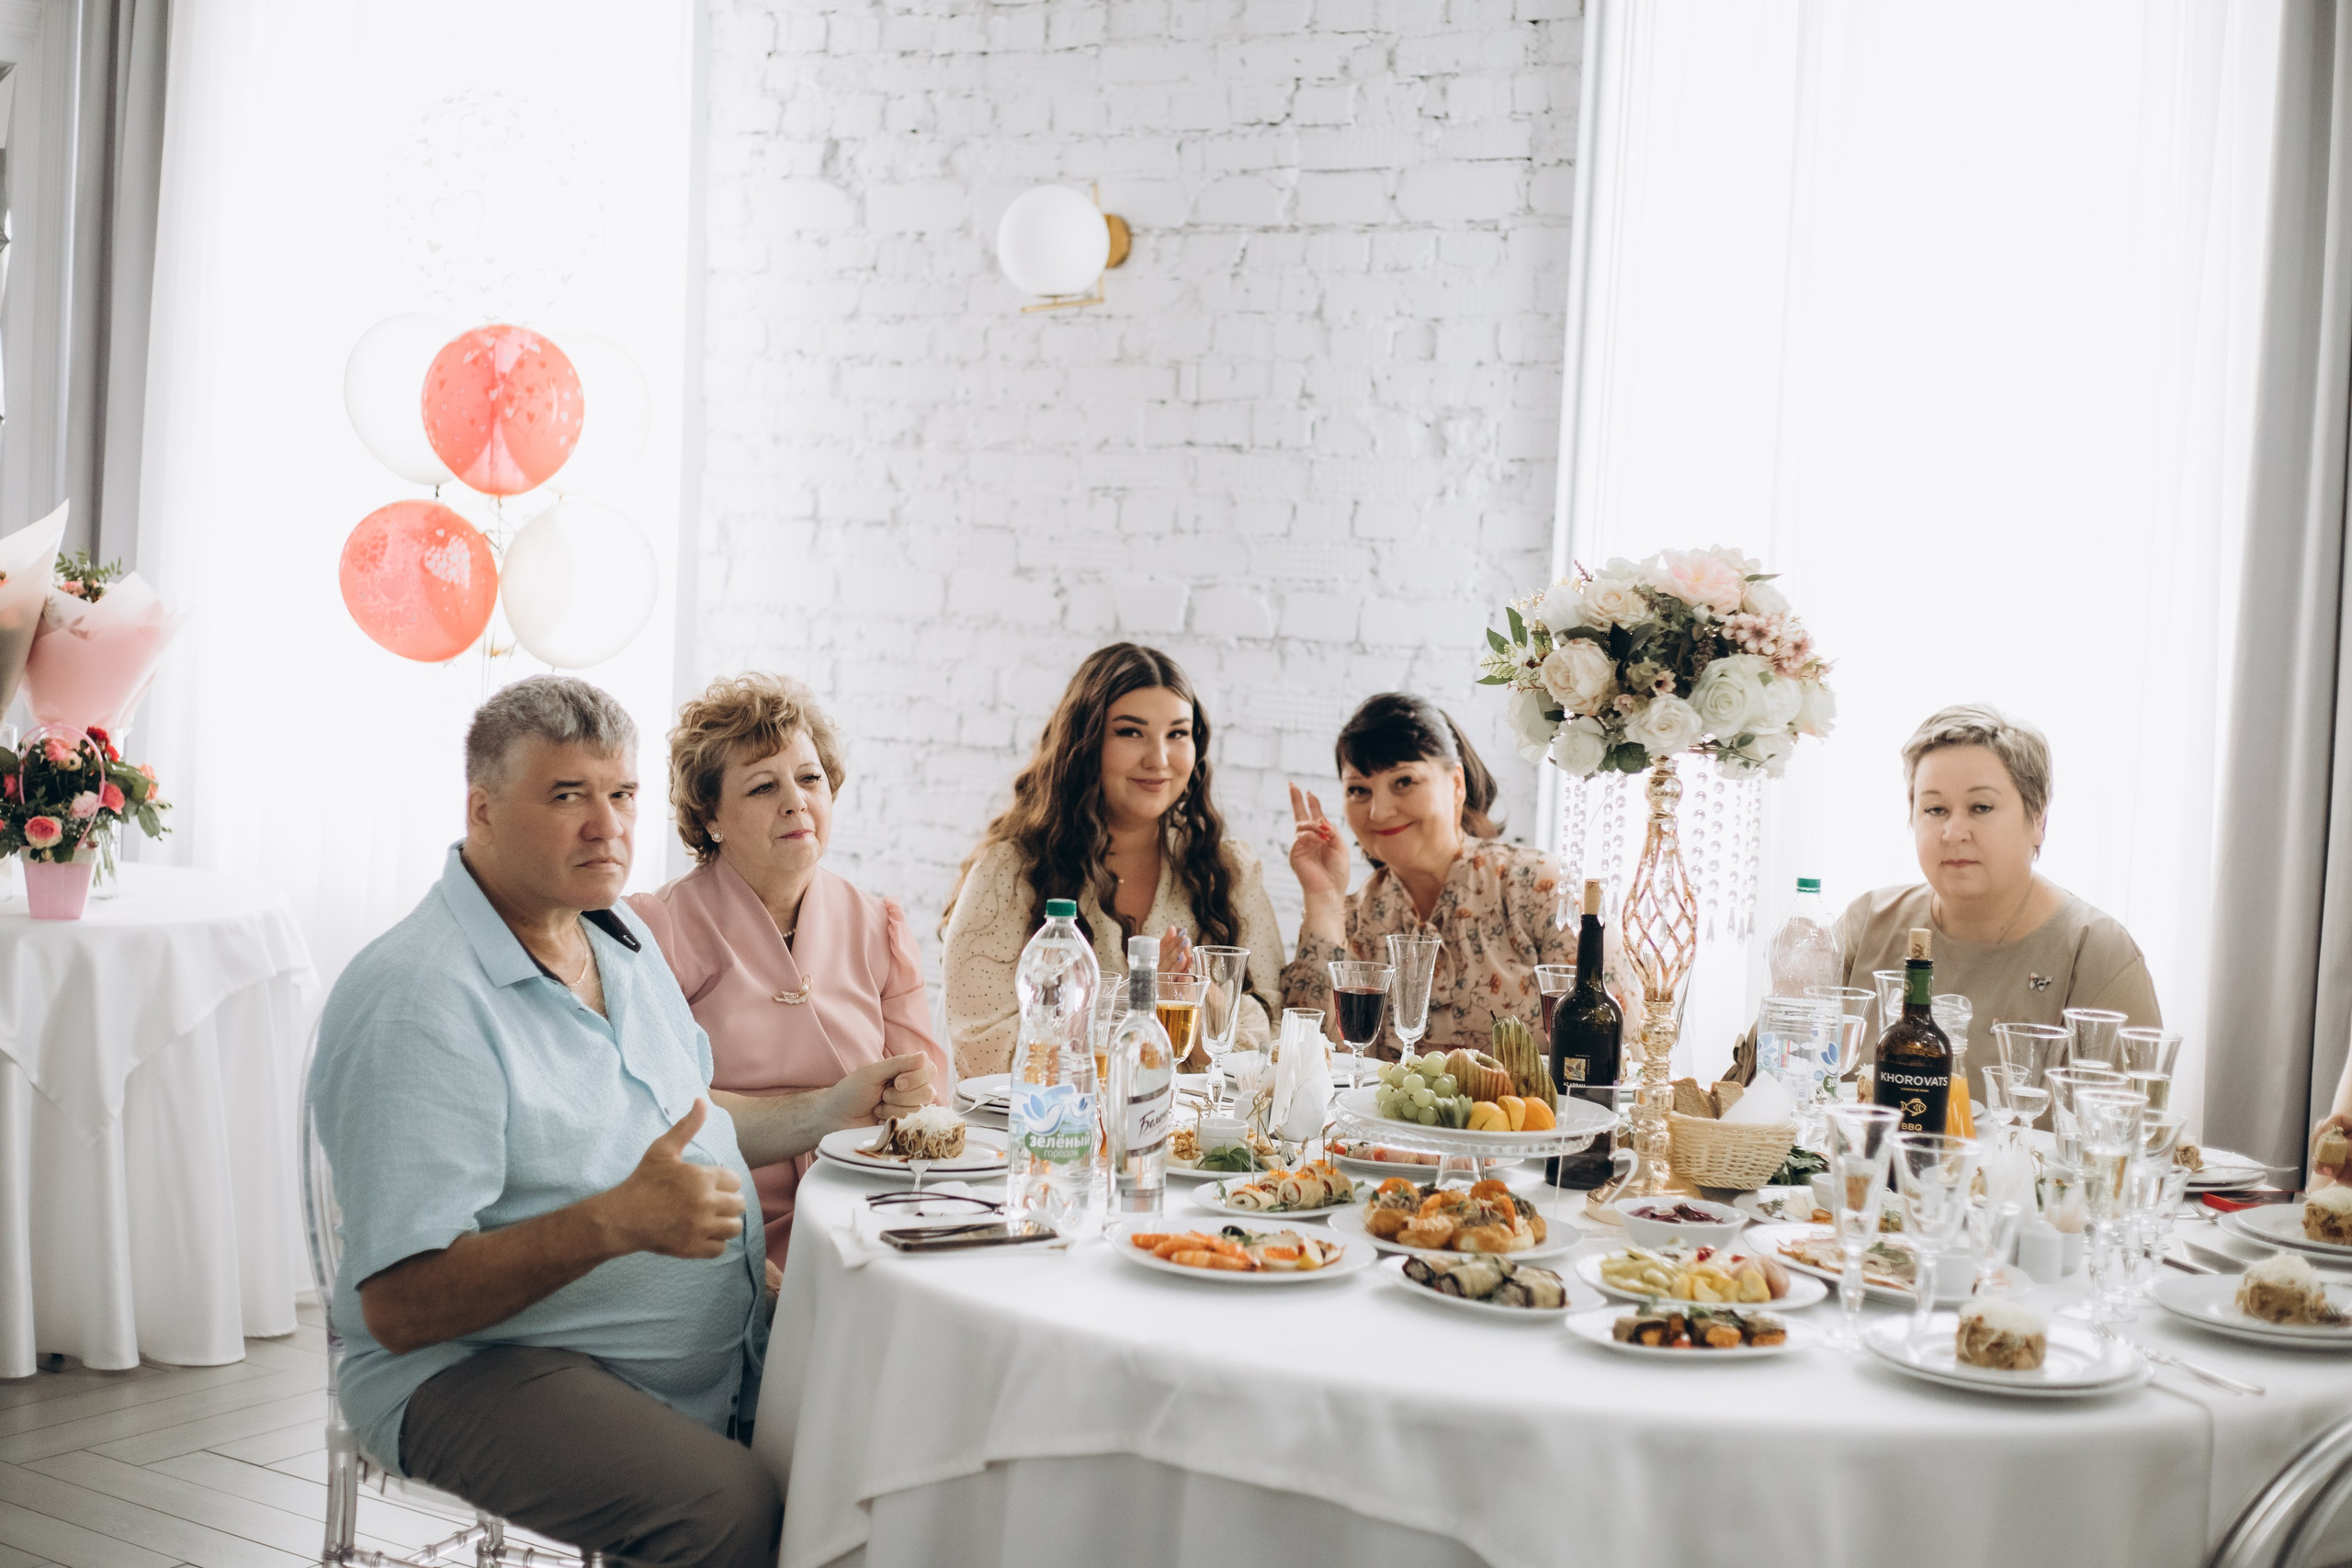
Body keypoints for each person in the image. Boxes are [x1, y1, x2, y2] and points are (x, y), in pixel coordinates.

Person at [309, 677, 935, 1568]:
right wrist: (613, 1223)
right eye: (567, 796)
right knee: (731, 1511)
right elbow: (403, 1306)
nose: (606, 827)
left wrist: (828, 1112)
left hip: (698, 1344)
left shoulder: (611, 940)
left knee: (902, 1439)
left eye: (621, 794)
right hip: (472, 1367)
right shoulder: (420, 999)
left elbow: (692, 1121)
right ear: (482, 810)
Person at [628, 672, 950, 1266]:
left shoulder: (879, 925)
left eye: (810, 778)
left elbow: (931, 1102)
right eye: (762, 786)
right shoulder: (659, 928)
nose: (796, 800)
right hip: (722, 1231)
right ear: (711, 816)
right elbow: (647, 1115)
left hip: (868, 1213)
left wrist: (911, 1100)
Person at [942, 643, 1283, 1076]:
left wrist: (1193, 998)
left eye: (1178, 734)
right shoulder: (1009, 872)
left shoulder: (1229, 870)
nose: (1158, 759)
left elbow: (1271, 1038)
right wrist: (1139, 1006)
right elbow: (982, 1048)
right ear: (1084, 743)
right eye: (1130, 732)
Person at [1837, 703, 2159, 1105]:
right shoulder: (1868, 923)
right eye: (1935, 809)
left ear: (2038, 821)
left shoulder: (2096, 952)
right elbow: (1787, 1077)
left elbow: (2126, 1129)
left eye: (1981, 807)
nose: (1954, 832)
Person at [1283, 692, 1573, 1054]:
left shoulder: (1539, 887)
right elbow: (1306, 1063)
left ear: (1456, 785)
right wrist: (1323, 900)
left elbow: (1616, 1051)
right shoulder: (1353, 922)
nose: (1378, 812)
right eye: (1358, 790)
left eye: (1403, 781)